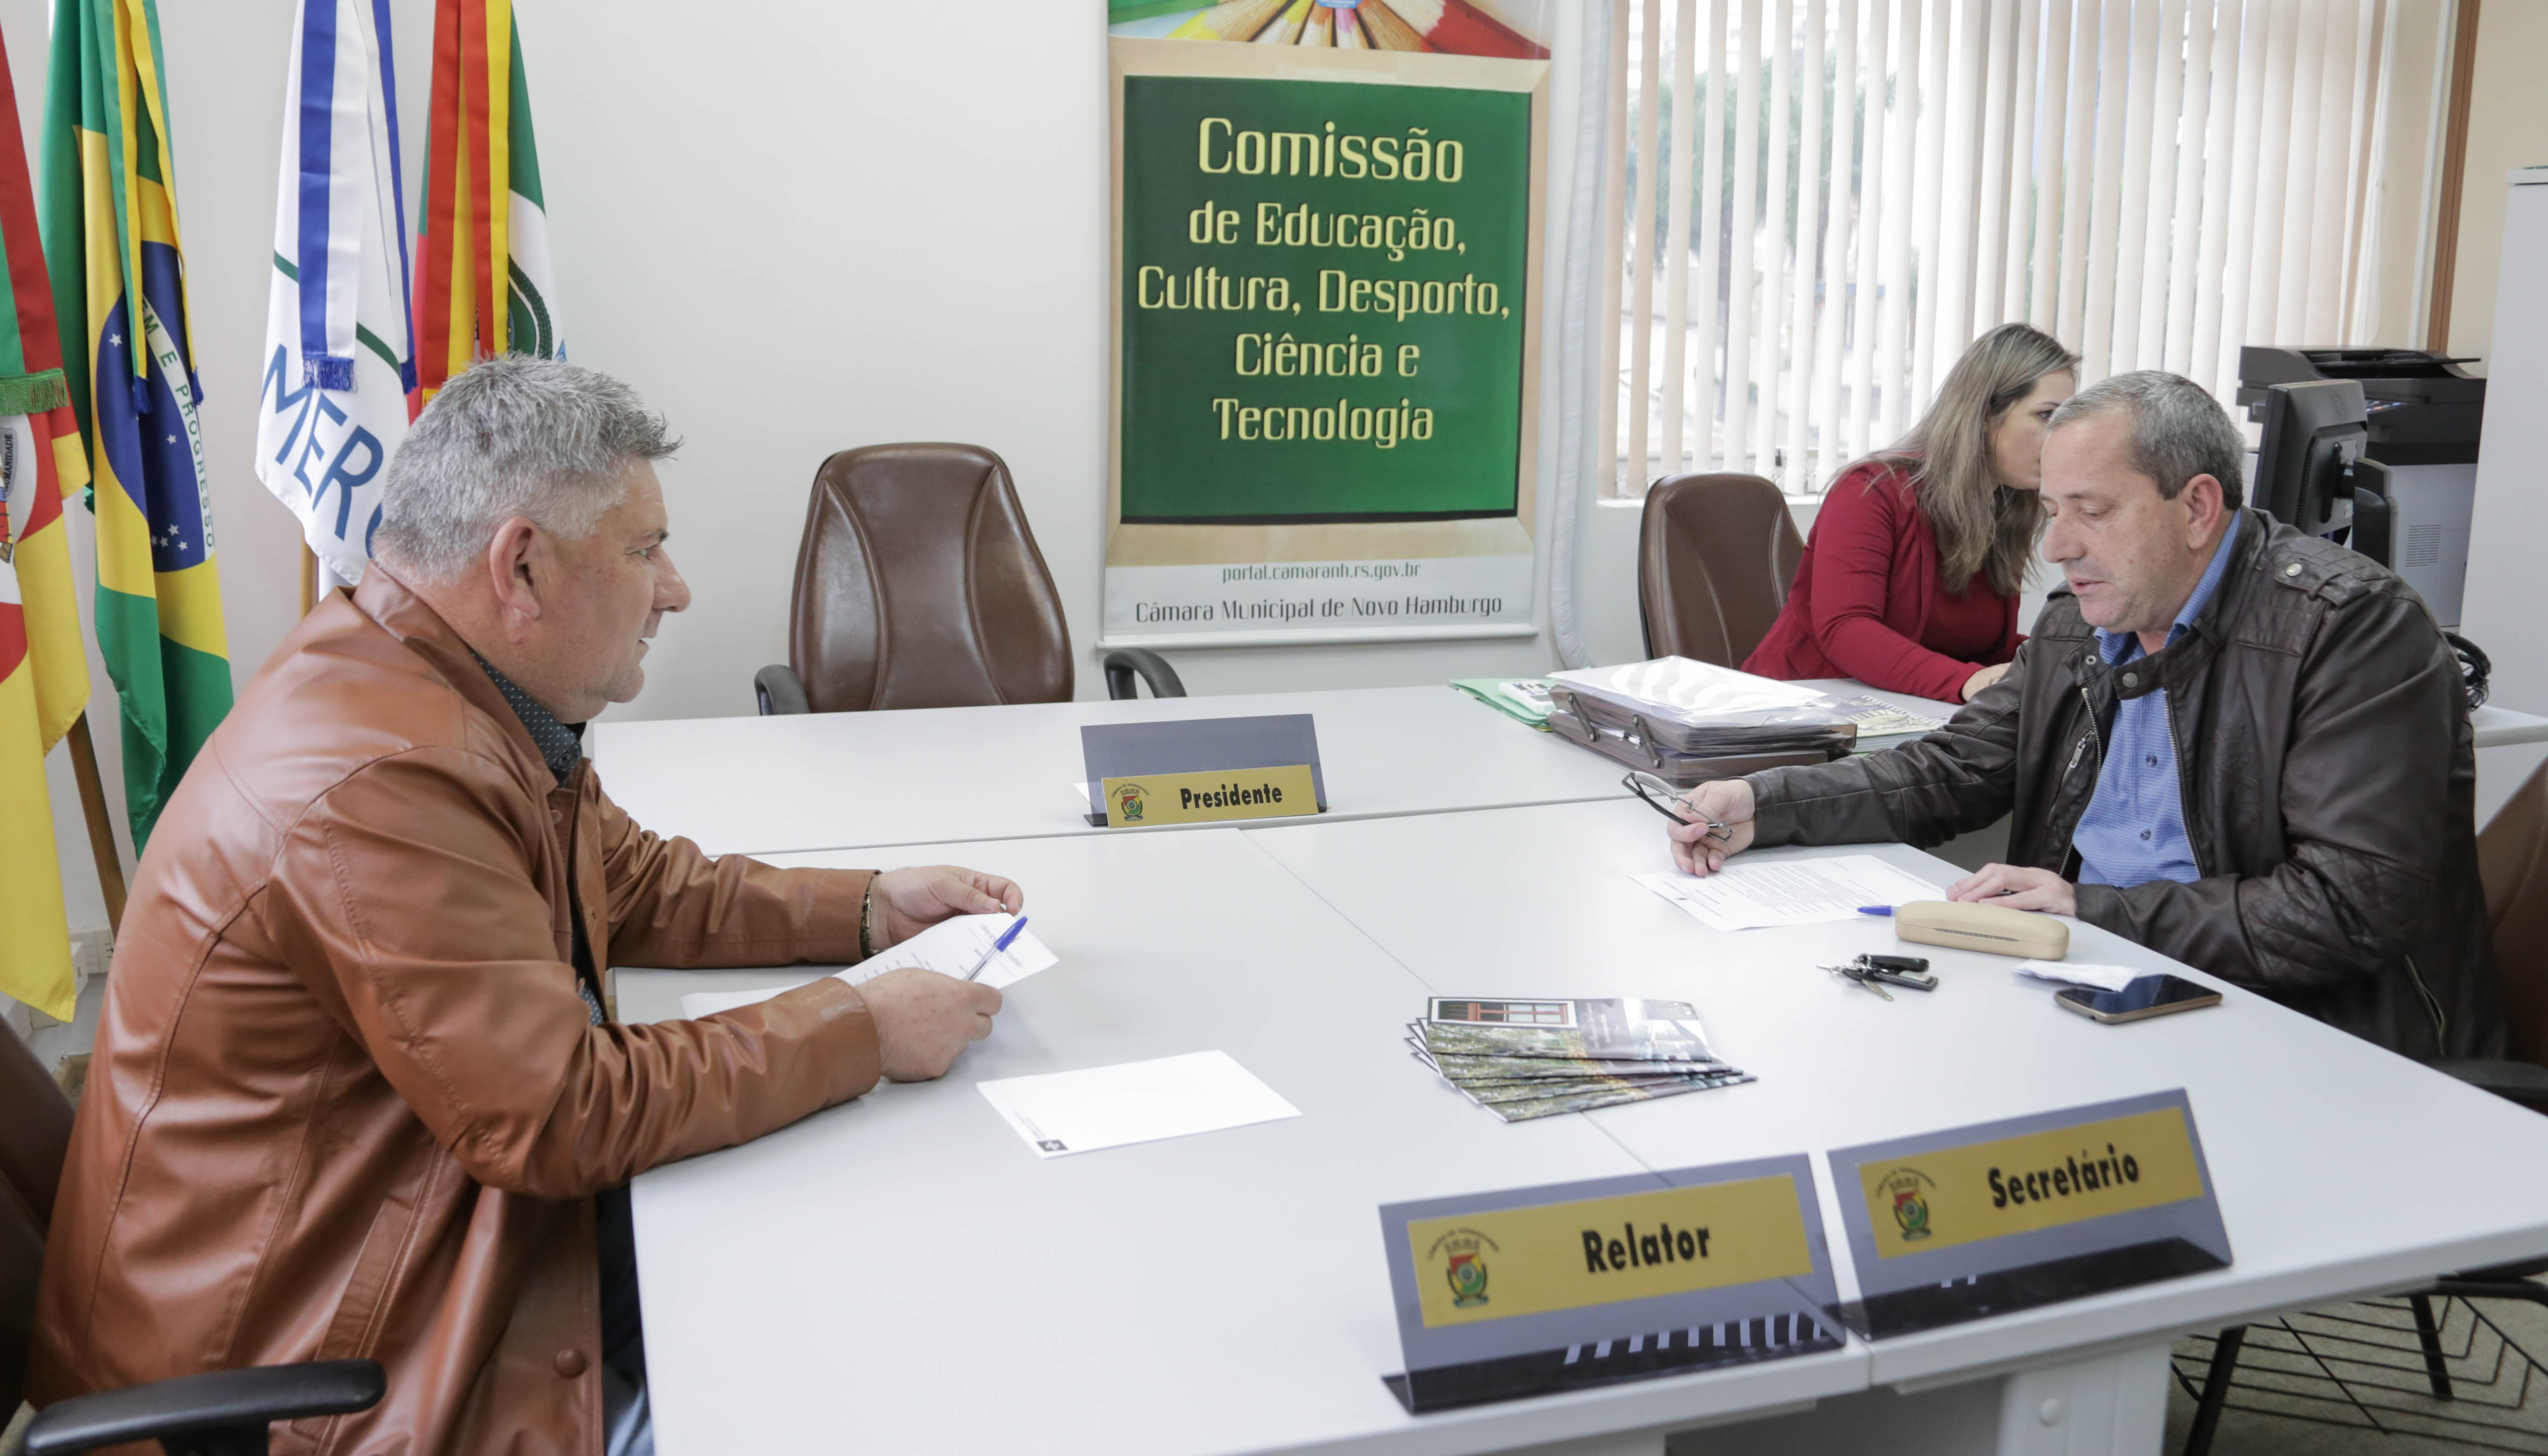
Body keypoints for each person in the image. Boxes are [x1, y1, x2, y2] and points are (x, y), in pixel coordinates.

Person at [31, 358, 1013, 1456]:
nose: (676, 586)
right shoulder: (382, 775)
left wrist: (871, 907)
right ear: (524, 564)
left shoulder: (427, 682)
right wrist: (863, 1027)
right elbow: (557, 1112)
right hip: (301, 1374)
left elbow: (627, 880)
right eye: (645, 549)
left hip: (387, 1248)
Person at [1669, 370, 2499, 1059]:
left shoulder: (2348, 631)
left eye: (2091, 510)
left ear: (2197, 508)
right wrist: (1763, 802)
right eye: (2052, 509)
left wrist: (2087, 910)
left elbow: (2347, 908)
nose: (2057, 547)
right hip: (2092, 990)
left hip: (2301, 1031)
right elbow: (1950, 772)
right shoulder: (2078, 625)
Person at [1744, 323, 2077, 704]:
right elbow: (1846, 628)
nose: (2061, 438)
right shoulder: (1870, 490)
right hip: (1797, 713)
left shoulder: (2007, 506)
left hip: (1905, 714)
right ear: (1986, 412)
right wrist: (1968, 681)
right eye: (2047, 416)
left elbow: (1985, 650)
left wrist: (2065, 654)